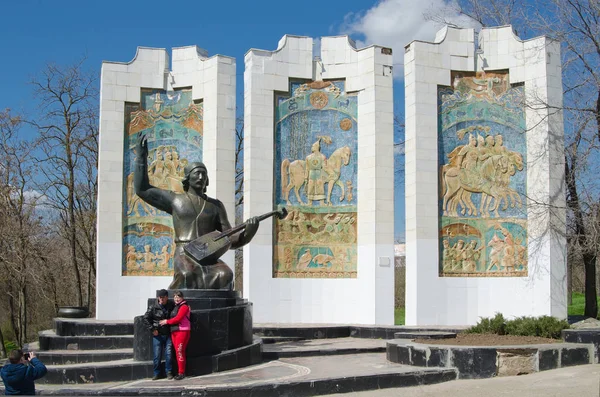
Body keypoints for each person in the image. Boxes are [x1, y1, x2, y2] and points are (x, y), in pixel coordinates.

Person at [134, 133, 259, 289]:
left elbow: (230, 238)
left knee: (226, 276)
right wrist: (140, 157)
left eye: (204, 174)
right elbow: (142, 189)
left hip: (208, 254)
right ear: (188, 177)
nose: (200, 177)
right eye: (196, 173)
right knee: (187, 276)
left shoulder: (216, 205)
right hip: (184, 252)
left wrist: (249, 232)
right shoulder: (175, 199)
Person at [143, 289, 175, 380]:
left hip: (168, 333)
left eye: (163, 298)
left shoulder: (171, 304)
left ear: (167, 297)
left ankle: (168, 372)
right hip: (158, 334)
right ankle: (157, 373)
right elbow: (146, 318)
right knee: (157, 355)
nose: (161, 299)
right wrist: (152, 329)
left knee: (169, 354)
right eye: (160, 298)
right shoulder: (153, 306)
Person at [160, 291, 190, 380]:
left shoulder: (184, 307)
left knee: (179, 351)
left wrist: (166, 321)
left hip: (182, 331)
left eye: (178, 297)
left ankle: (181, 373)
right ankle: (180, 372)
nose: (176, 299)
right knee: (178, 352)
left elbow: (178, 318)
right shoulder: (176, 306)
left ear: (182, 298)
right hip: (174, 331)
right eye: (175, 297)